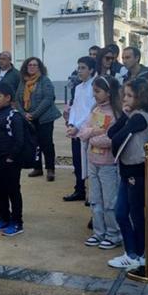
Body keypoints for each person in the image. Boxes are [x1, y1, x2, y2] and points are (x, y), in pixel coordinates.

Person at [107, 78, 148, 270]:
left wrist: (125, 119)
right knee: (121, 212)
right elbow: (113, 131)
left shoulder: (140, 117)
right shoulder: (132, 115)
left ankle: (138, 254)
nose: (125, 100)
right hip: (127, 170)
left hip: (137, 172)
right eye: (124, 95)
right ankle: (133, 252)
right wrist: (123, 117)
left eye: (130, 96)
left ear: (141, 97)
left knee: (136, 215)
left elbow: (116, 137)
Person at [77, 75, 123, 249]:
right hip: (93, 162)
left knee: (110, 201)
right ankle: (99, 232)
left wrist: (91, 135)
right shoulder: (95, 110)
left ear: (109, 93)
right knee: (95, 200)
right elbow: (83, 131)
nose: (94, 95)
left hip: (108, 164)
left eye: (97, 91)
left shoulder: (116, 114)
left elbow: (110, 140)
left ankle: (113, 234)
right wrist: (95, 133)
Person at [0, 81, 26, 237]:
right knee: (0, 191)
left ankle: (17, 222)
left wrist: (11, 158)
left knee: (13, 191)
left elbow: (19, 140)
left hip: (10, 161)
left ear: (8, 98)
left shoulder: (14, 116)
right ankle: (4, 218)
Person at [121, 46, 148, 199]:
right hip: (130, 120)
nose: (124, 60)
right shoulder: (125, 77)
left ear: (137, 58)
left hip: (146, 121)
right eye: (123, 57)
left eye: (128, 57)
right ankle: (142, 182)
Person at [15, 57, 61, 181]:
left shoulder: (45, 81)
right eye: (30, 65)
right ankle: (37, 168)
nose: (32, 67)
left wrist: (34, 114)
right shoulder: (23, 82)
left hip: (45, 118)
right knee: (33, 143)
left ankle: (50, 169)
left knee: (46, 143)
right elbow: (17, 100)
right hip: (28, 118)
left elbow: (48, 99)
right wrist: (23, 113)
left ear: (39, 67)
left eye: (35, 65)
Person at [64, 56, 96, 201]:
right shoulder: (78, 87)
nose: (80, 71)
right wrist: (71, 124)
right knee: (77, 161)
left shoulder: (95, 87)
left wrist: (78, 126)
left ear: (91, 70)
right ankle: (79, 189)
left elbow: (91, 110)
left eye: (83, 68)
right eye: (79, 68)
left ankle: (92, 194)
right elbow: (75, 108)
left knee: (89, 163)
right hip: (76, 130)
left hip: (88, 130)